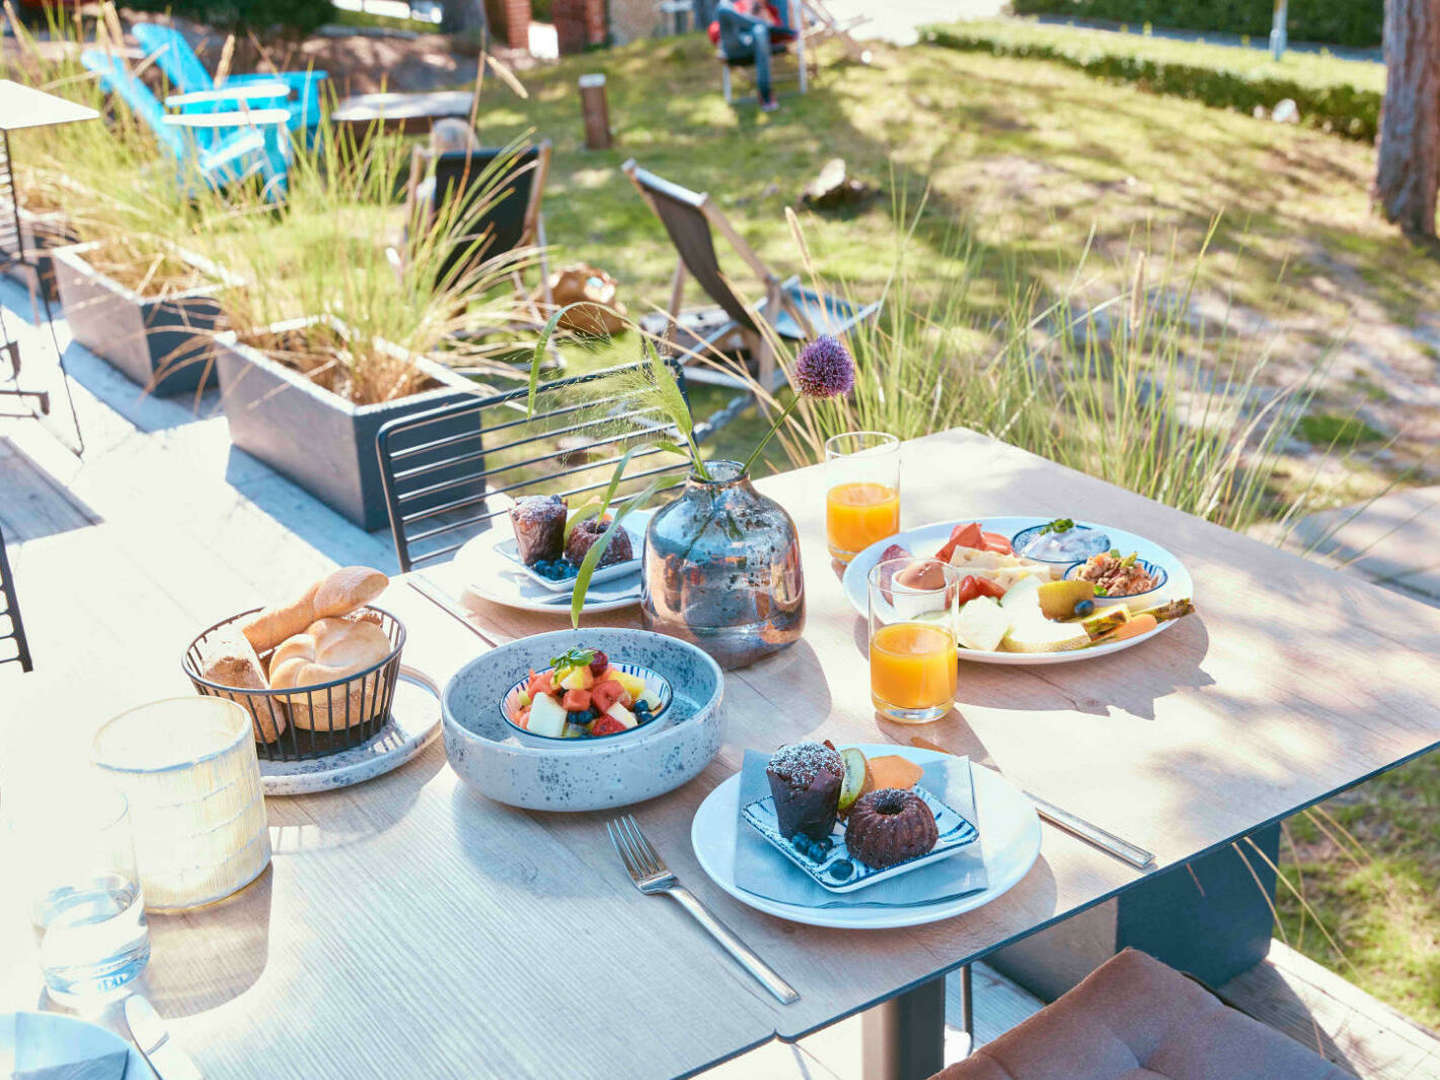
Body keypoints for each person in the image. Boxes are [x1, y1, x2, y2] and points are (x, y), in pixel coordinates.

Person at [710, 0, 795, 112]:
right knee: (723, 6)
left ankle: (765, 94)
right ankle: (757, 23)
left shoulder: (768, 8)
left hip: (757, 44)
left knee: (760, 31)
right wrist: (745, 16)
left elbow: (779, 35)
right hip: (735, 42)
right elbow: (714, 32)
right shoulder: (737, 6)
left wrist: (763, 15)